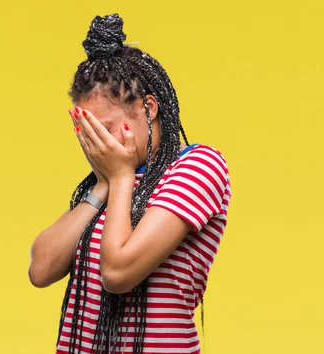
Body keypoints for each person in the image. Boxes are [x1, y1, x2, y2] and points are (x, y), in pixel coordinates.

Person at [28, 13, 232, 354]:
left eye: (105, 128)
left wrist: (120, 178)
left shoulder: (198, 166)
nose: (96, 143)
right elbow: (40, 269)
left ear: (148, 108)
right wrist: (104, 186)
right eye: (86, 132)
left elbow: (118, 273)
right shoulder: (110, 181)